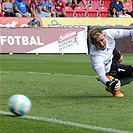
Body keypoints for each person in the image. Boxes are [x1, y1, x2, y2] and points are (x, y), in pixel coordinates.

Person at [89, 28, 133, 97]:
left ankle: (111, 78)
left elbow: (130, 32)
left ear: (104, 35)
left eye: (102, 40)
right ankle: (111, 81)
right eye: (97, 43)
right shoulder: (96, 56)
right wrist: (108, 83)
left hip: (111, 52)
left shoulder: (109, 33)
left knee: (120, 59)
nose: (101, 44)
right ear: (93, 43)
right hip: (108, 66)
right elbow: (101, 75)